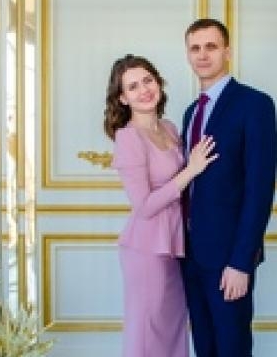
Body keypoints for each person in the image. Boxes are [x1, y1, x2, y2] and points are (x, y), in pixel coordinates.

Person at [104, 54, 218, 357]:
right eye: (133, 87)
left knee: (173, 326)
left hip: (176, 243)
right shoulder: (128, 138)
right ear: (123, 98)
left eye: (148, 80)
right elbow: (144, 206)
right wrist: (190, 171)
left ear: (158, 83)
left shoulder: (169, 128)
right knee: (147, 329)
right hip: (146, 248)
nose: (144, 90)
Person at [181, 19, 277, 357]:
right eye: (195, 48)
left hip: (228, 260)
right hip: (190, 256)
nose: (202, 55)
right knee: (204, 347)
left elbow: (259, 189)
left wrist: (241, 262)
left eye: (211, 46)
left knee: (232, 348)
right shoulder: (191, 113)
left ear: (227, 52)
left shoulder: (255, 104)